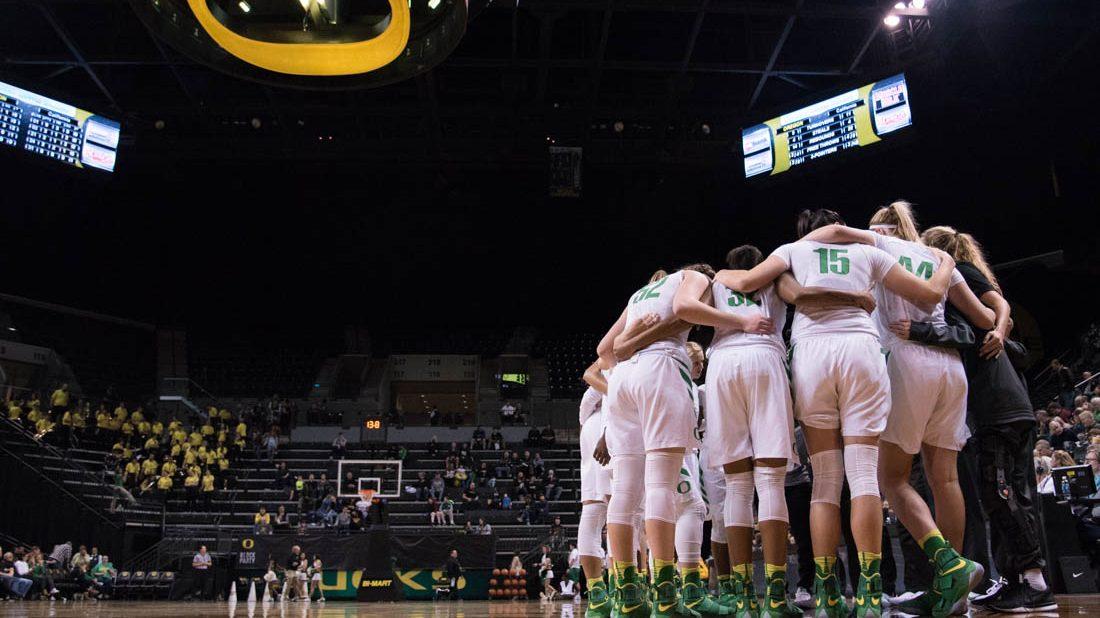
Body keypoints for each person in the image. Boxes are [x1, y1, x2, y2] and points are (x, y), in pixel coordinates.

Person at [716, 208, 958, 618]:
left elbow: (749, 283)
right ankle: (869, 593)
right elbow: (931, 296)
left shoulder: (791, 250)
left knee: (825, 482)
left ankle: (827, 591)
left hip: (812, 354)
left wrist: (720, 277)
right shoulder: (872, 253)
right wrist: (946, 264)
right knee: (864, 476)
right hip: (861, 350)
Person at [801, 202, 996, 615]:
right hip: (950, 370)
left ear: (883, 229)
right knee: (945, 479)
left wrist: (797, 248)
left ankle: (951, 564)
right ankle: (955, 595)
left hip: (906, 361)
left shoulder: (879, 244)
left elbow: (833, 235)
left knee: (891, 481)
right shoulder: (937, 256)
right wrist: (1003, 323)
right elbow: (982, 318)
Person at [708, 242, 877, 617]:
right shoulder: (776, 277)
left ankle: (740, 598)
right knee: (770, 483)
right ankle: (774, 595)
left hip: (721, 364)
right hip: (764, 357)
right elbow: (803, 297)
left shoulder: (715, 282)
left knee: (737, 485)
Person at [598, 263, 746, 617]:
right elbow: (683, 312)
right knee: (661, 486)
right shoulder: (694, 279)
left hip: (623, 381)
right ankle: (666, 594)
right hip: (661, 369)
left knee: (626, 492)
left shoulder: (638, 295)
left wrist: (630, 342)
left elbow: (606, 350)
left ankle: (627, 597)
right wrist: (738, 320)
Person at [923, 225, 1057, 613]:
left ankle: (1035, 581)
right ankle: (1016, 579)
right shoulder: (958, 286)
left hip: (999, 407)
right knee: (1004, 495)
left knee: (1000, 495)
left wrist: (996, 329)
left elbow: (1001, 310)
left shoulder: (959, 270)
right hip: (1003, 405)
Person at [577, 363, 614, 617]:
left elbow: (586, 403)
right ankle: (625, 588)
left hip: (591, 424)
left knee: (592, 508)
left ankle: (597, 594)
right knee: (620, 511)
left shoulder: (604, 363)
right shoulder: (628, 358)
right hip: (612, 423)